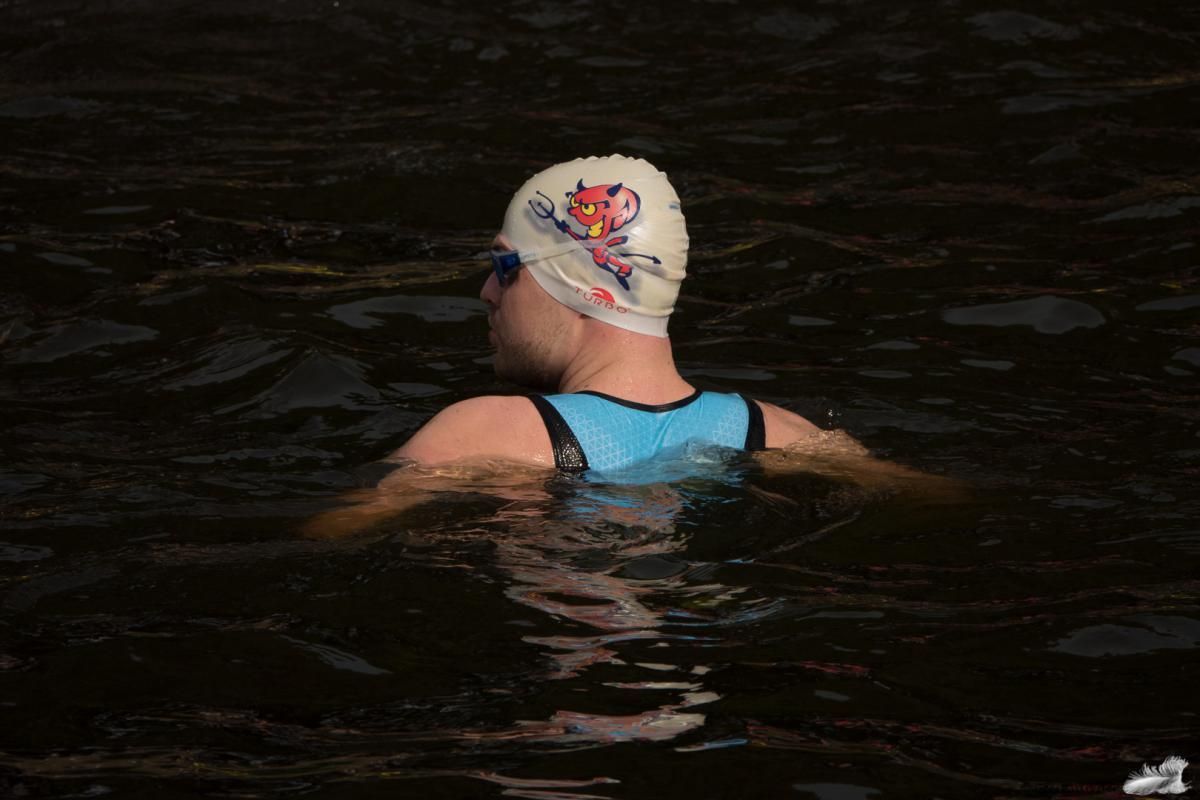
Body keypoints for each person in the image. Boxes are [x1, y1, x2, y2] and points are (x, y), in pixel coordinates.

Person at [393, 154, 821, 473]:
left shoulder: (483, 433)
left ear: (576, 280)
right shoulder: (787, 436)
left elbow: (338, 529)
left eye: (505, 266)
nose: (487, 292)